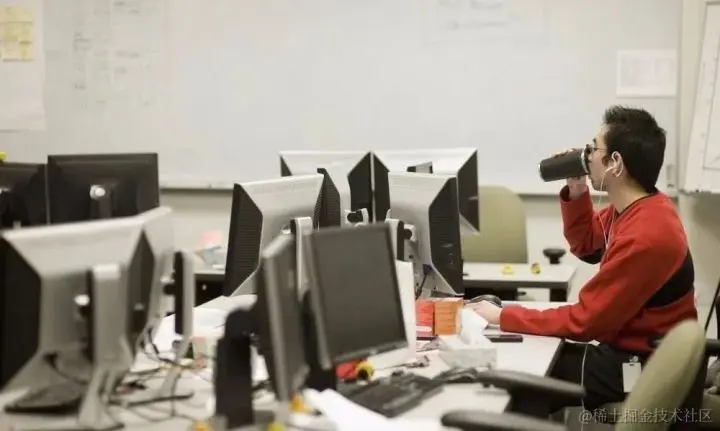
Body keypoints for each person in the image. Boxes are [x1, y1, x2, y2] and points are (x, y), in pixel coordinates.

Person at [469, 105, 698, 413]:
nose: (586, 155)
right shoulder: (641, 207)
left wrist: (503, 316)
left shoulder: (647, 234)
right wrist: (577, 189)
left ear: (615, 163)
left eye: (594, 148)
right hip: (631, 353)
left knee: (525, 376)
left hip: (644, 370)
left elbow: (584, 322)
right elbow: (588, 245)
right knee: (531, 358)